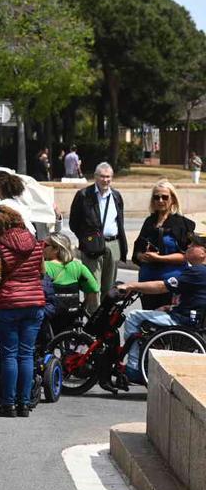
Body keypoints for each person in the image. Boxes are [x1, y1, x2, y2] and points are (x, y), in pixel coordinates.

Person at [0, 205, 45, 418]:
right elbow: (42, 272)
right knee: (26, 354)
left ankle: (8, 404)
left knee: (10, 355)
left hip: (8, 304)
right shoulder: (34, 242)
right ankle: (24, 404)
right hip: (34, 303)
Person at [119, 233, 206, 385]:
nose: (188, 247)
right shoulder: (199, 272)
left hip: (183, 321)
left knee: (133, 316)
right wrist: (169, 307)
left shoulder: (197, 272)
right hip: (190, 316)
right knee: (157, 311)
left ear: (203, 252)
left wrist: (131, 285)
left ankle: (133, 368)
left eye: (193, 245)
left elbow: (161, 286)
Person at [68, 162, 127, 312]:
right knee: (93, 287)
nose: (105, 180)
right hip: (92, 246)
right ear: (95, 177)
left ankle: (104, 321)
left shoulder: (116, 196)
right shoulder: (83, 195)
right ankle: (91, 323)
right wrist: (86, 239)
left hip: (113, 244)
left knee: (109, 288)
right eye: (102, 176)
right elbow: (74, 223)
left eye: (108, 177)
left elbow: (119, 222)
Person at [129, 179, 194, 310]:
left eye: (164, 197)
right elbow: (138, 250)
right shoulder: (149, 221)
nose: (160, 200)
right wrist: (141, 256)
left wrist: (159, 258)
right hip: (147, 283)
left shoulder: (182, 224)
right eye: (156, 197)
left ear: (173, 200)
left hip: (171, 284)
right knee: (147, 322)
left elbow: (187, 256)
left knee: (167, 323)